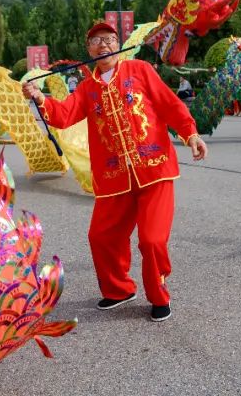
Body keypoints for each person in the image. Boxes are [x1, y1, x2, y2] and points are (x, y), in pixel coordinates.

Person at [21, 20, 207, 322]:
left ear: (118, 44)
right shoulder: (86, 88)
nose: (103, 45)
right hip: (114, 177)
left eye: (109, 39)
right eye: (96, 41)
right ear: (88, 49)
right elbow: (65, 115)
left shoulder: (141, 71)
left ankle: (158, 295)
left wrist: (191, 134)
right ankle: (119, 289)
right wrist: (40, 98)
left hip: (154, 171)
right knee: (101, 236)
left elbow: (169, 104)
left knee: (151, 240)